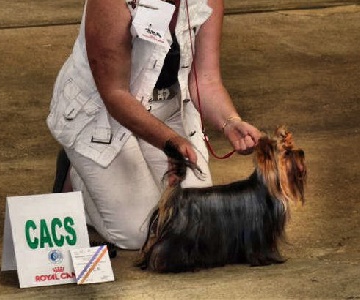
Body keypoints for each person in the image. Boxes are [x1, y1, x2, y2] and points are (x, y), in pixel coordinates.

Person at [47, 0, 261, 250]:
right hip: (103, 114)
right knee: (138, 233)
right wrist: (169, 141)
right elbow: (114, 93)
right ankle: (77, 176)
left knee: (190, 219)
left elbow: (206, 79)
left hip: (167, 110)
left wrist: (230, 122)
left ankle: (121, 175)